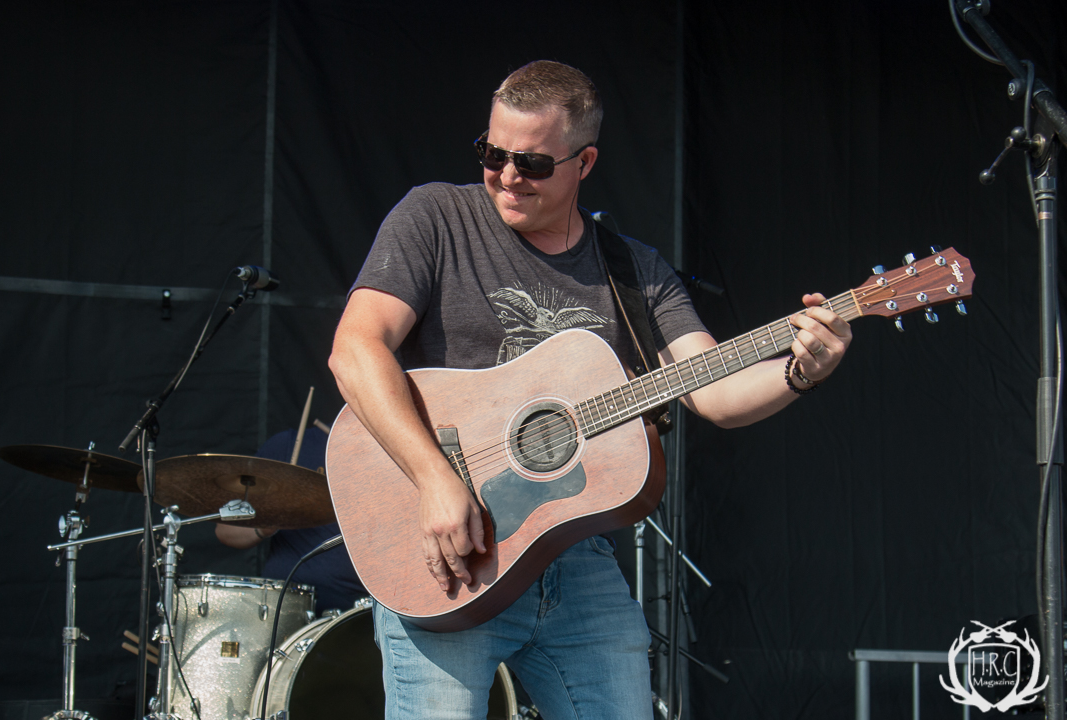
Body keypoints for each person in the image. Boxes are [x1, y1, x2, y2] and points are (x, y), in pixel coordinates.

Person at [327, 60, 852, 719]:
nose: (507, 175)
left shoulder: (634, 270)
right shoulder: (436, 217)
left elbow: (713, 390)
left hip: (576, 560)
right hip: (447, 551)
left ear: (585, 162)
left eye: (532, 163)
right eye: (492, 153)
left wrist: (801, 371)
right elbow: (355, 350)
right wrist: (434, 479)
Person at [215, 425, 366, 615]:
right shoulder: (288, 444)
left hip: (357, 612)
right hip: (283, 607)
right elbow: (225, 529)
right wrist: (263, 527)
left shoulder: (384, 451)